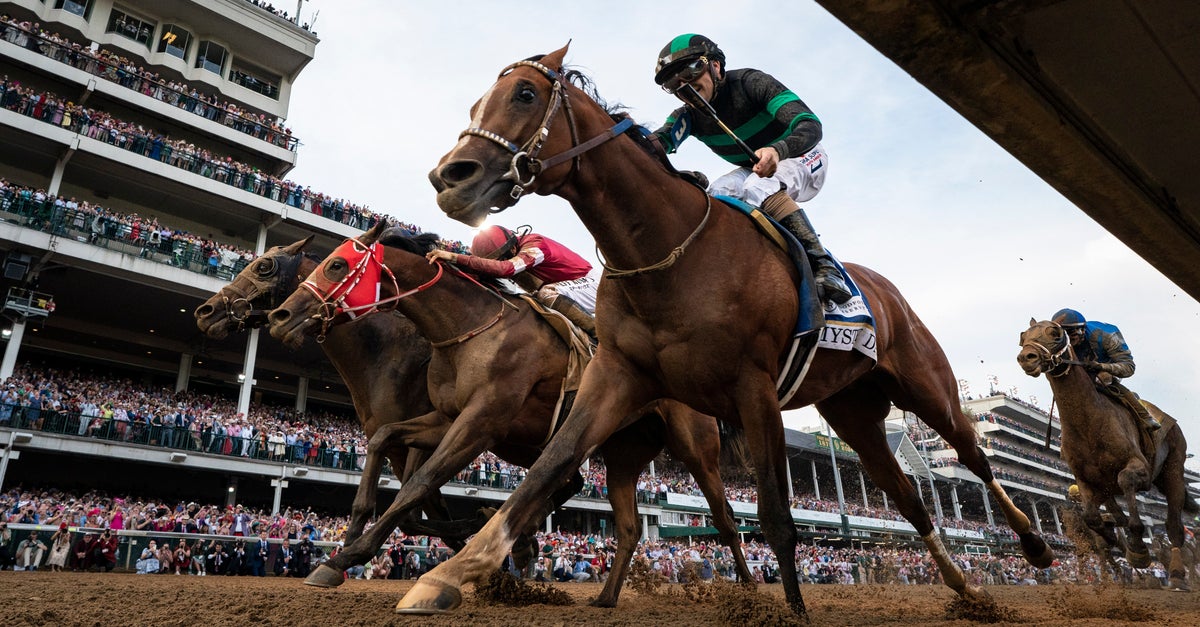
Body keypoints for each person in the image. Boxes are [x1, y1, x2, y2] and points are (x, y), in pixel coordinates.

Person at [651, 33, 851, 305]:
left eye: (691, 69)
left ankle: (823, 265)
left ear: (716, 66)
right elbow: (656, 143)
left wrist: (777, 150)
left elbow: (810, 125)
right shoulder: (687, 116)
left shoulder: (750, 83)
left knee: (757, 187)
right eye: (673, 82)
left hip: (805, 154)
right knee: (717, 195)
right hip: (754, 168)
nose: (685, 84)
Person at [425, 224, 598, 337]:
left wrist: (455, 256)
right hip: (567, 290)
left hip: (590, 284)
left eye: (502, 257)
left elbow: (507, 268)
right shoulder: (514, 248)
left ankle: (598, 337)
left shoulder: (536, 245)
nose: (499, 262)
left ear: (513, 246)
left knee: (547, 293)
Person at [1052, 308, 1161, 431]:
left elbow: (1129, 367)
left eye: (1069, 333)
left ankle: (1144, 416)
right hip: (1084, 368)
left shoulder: (1106, 336)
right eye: (1062, 334)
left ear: (1081, 330)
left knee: (1103, 380)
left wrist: (1101, 366)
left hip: (1109, 365)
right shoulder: (1062, 342)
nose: (1067, 340)